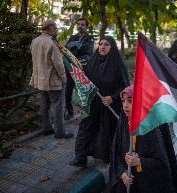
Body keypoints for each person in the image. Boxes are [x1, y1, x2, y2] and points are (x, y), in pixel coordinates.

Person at [109, 85, 177, 193]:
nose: (125, 106)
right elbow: (116, 154)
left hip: (147, 182)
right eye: (123, 101)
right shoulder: (123, 121)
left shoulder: (150, 126)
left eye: (130, 101)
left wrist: (139, 161)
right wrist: (122, 174)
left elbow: (160, 163)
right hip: (129, 178)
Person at [69, 36, 130, 167]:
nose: (102, 46)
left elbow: (125, 86)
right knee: (86, 129)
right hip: (93, 103)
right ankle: (80, 157)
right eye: (101, 44)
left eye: (106, 44)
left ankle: (108, 155)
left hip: (110, 105)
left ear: (112, 47)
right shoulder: (92, 61)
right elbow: (86, 81)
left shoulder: (118, 65)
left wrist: (112, 97)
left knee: (108, 131)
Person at [30, 20, 73, 139]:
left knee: (45, 105)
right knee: (58, 106)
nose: (56, 30)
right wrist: (64, 78)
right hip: (53, 80)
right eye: (56, 28)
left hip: (40, 79)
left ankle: (47, 129)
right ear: (50, 28)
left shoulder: (35, 41)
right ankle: (60, 132)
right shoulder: (52, 43)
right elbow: (59, 64)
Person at [64, 18, 94, 120]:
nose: (80, 26)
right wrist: (76, 47)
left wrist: (76, 46)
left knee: (82, 92)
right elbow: (66, 49)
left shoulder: (90, 38)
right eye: (79, 24)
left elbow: (88, 51)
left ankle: (84, 112)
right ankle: (70, 112)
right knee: (68, 92)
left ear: (86, 27)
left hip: (83, 69)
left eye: (82, 24)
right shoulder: (72, 37)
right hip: (71, 68)